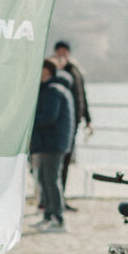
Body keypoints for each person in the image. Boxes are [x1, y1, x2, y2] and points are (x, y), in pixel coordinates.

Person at [31, 59, 75, 232]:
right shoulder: (54, 89)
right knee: (46, 178)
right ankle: (48, 215)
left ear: (46, 71)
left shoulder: (52, 90)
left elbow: (49, 117)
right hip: (51, 142)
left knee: (51, 179)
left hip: (52, 142)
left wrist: (29, 121)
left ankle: (56, 216)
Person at [50, 40, 91, 208]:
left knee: (66, 161)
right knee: (55, 163)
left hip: (73, 122)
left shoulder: (75, 70)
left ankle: (61, 198)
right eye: (59, 52)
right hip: (58, 125)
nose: (62, 56)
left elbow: (82, 96)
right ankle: (53, 200)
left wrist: (89, 119)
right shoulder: (53, 71)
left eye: (64, 52)